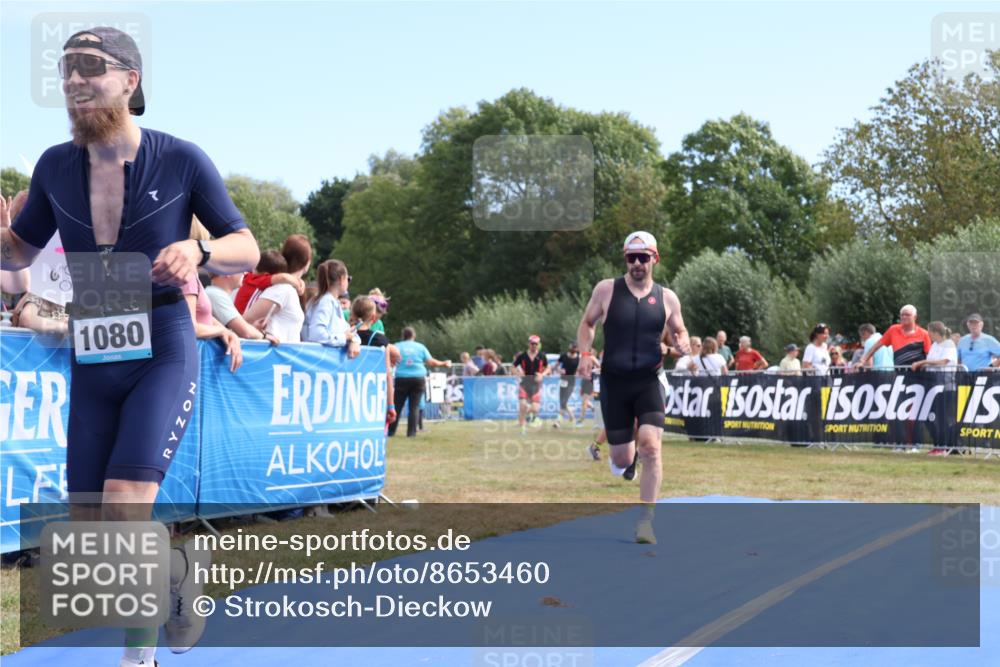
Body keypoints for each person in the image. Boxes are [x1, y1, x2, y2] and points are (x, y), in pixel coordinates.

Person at [0, 27, 260, 666]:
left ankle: (136, 657)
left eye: (91, 67)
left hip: (165, 342)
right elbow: (17, 253)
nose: (74, 81)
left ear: (130, 81)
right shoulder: (54, 166)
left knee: (123, 506)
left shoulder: (180, 158)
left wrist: (199, 249)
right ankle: (175, 573)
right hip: (97, 344)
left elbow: (247, 247)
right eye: (65, 71)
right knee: (94, 533)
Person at [577, 231, 691, 545]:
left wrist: (682, 344)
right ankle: (629, 461)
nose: (637, 263)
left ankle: (645, 521)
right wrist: (585, 355)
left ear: (655, 258)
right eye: (631, 258)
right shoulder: (606, 290)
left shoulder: (667, 297)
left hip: (649, 381)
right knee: (622, 460)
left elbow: (679, 329)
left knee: (652, 447)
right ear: (626, 259)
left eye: (643, 257)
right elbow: (587, 323)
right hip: (614, 382)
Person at [244, 234, 311, 344]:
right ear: (307, 261)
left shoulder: (286, 288)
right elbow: (246, 319)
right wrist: (261, 335)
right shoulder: (283, 289)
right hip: (272, 355)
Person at [389, 326, 451, 437]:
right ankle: (411, 433)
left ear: (403, 335)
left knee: (397, 406)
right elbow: (431, 362)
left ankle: (391, 432)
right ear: (414, 336)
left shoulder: (397, 346)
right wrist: (444, 363)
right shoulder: (420, 347)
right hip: (418, 379)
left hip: (401, 378)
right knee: (414, 407)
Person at [914, 321, 959, 456]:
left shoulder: (949, 344)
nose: (928, 334)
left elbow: (944, 361)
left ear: (934, 332)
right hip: (933, 385)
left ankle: (943, 446)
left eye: (929, 331)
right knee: (931, 417)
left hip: (946, 387)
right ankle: (938, 445)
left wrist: (923, 362)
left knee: (942, 418)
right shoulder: (934, 345)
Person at [300, 259, 360, 356]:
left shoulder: (331, 301)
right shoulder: (326, 301)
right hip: (317, 360)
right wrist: (344, 338)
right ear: (342, 279)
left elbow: (348, 330)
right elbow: (317, 334)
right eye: (347, 278)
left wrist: (354, 340)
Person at [205, 270, 278, 343]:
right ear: (227, 273)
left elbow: (235, 331)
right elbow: (246, 332)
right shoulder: (216, 294)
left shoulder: (215, 293)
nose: (244, 273)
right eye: (240, 269)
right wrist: (264, 336)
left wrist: (253, 329)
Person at [855, 304, 931, 370]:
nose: (904, 317)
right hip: (899, 374)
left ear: (915, 317)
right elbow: (875, 346)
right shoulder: (893, 330)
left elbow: (930, 356)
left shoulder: (924, 334)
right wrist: (862, 361)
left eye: (907, 315)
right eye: (902, 315)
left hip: (919, 375)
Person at [232, 250, 304, 314]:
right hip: (243, 319)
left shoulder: (249, 277)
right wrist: (298, 284)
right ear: (267, 274)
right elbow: (283, 277)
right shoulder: (260, 280)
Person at [513, 335, 550, 433]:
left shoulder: (542, 356)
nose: (534, 346)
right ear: (529, 344)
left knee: (535, 408)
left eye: (536, 344)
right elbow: (512, 367)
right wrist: (518, 373)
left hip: (536, 385)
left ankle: (523, 420)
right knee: (523, 405)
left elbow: (548, 368)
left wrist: (542, 374)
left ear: (538, 345)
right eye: (532, 344)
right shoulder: (522, 356)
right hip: (524, 383)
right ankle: (522, 427)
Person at [553, 342, 581, 426]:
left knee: (564, 401)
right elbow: (555, 367)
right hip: (563, 381)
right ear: (570, 347)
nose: (574, 349)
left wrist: (578, 373)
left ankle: (557, 422)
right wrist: (559, 370)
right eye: (573, 347)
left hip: (571, 381)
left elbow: (580, 370)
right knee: (562, 402)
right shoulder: (563, 356)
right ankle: (572, 417)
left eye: (575, 348)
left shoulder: (579, 358)